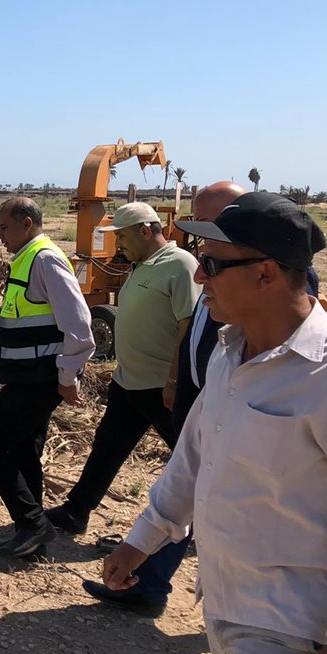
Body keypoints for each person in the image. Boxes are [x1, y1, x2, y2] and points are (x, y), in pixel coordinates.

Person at [101, 192, 327, 654]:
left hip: (290, 626)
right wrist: (141, 540)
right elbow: (193, 460)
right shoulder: (230, 353)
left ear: (266, 273)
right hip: (225, 602)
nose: (199, 276)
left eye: (212, 264)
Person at [82, 181, 244, 615]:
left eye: (209, 223)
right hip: (178, 394)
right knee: (177, 476)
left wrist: (174, 380)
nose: (199, 238)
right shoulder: (197, 270)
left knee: (201, 485)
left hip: (191, 397)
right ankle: (146, 578)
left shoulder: (200, 270)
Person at [45, 201, 199, 535]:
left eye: (123, 236)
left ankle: (209, 525)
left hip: (160, 386)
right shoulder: (139, 265)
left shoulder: (180, 264)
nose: (118, 244)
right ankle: (76, 512)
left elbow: (187, 328)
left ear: (145, 231)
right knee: (107, 447)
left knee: (191, 458)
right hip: (128, 381)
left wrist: (175, 380)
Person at [0, 197, 95, 558]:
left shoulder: (45, 259)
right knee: (24, 449)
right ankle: (31, 534)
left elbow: (79, 326)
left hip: (40, 379)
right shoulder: (28, 258)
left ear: (26, 223)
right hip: (26, 376)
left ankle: (33, 525)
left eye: (4, 227)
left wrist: (67, 377)